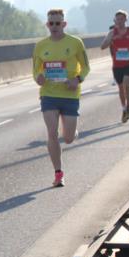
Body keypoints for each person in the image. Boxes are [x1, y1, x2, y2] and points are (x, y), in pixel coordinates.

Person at [33, 10, 90, 187]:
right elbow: (36, 69)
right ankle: (58, 173)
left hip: (70, 94)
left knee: (69, 138)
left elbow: (86, 67)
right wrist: (39, 78)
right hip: (49, 94)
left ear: (64, 24)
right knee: (51, 133)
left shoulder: (75, 43)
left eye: (58, 23)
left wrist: (77, 79)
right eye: (51, 23)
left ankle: (71, 132)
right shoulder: (41, 45)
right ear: (47, 25)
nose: (54, 27)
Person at [100, 10, 129, 123]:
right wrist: (110, 39)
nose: (120, 21)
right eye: (118, 19)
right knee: (120, 87)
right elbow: (102, 46)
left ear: (126, 19)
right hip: (117, 65)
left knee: (126, 84)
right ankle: (124, 109)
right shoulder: (112, 32)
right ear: (115, 20)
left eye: (122, 19)